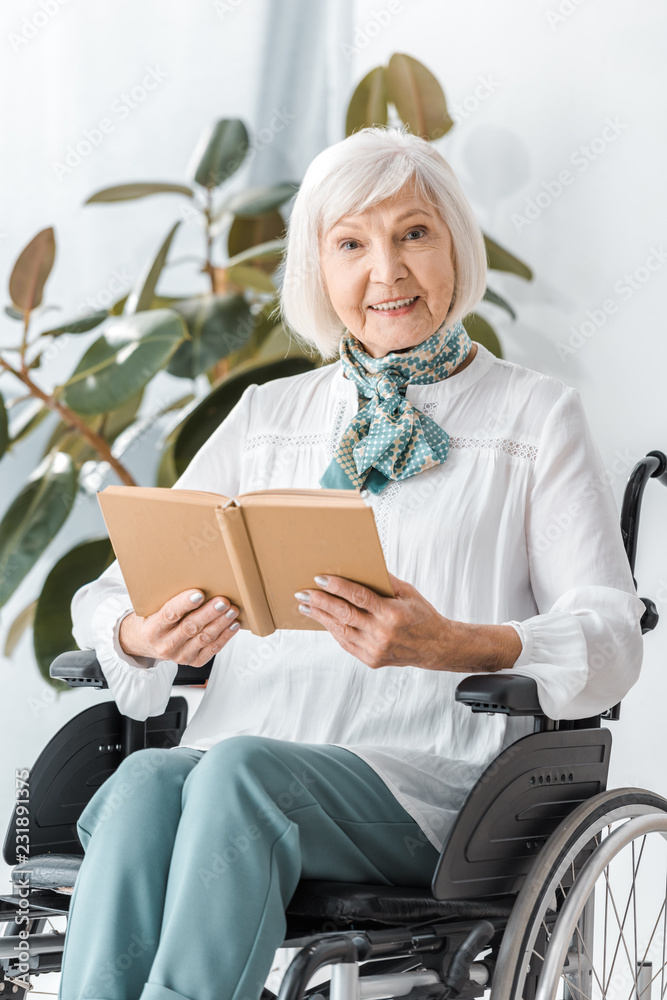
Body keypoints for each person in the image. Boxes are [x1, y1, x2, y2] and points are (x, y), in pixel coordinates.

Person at [57, 126, 645, 1000]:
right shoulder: (266, 418)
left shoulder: (533, 418)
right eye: (350, 244)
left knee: (240, 773)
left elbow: (609, 637)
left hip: (431, 788)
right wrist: (143, 633)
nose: (387, 272)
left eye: (414, 233)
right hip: (235, 767)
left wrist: (453, 643)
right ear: (318, 273)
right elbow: (109, 593)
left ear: (455, 245)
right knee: (147, 775)